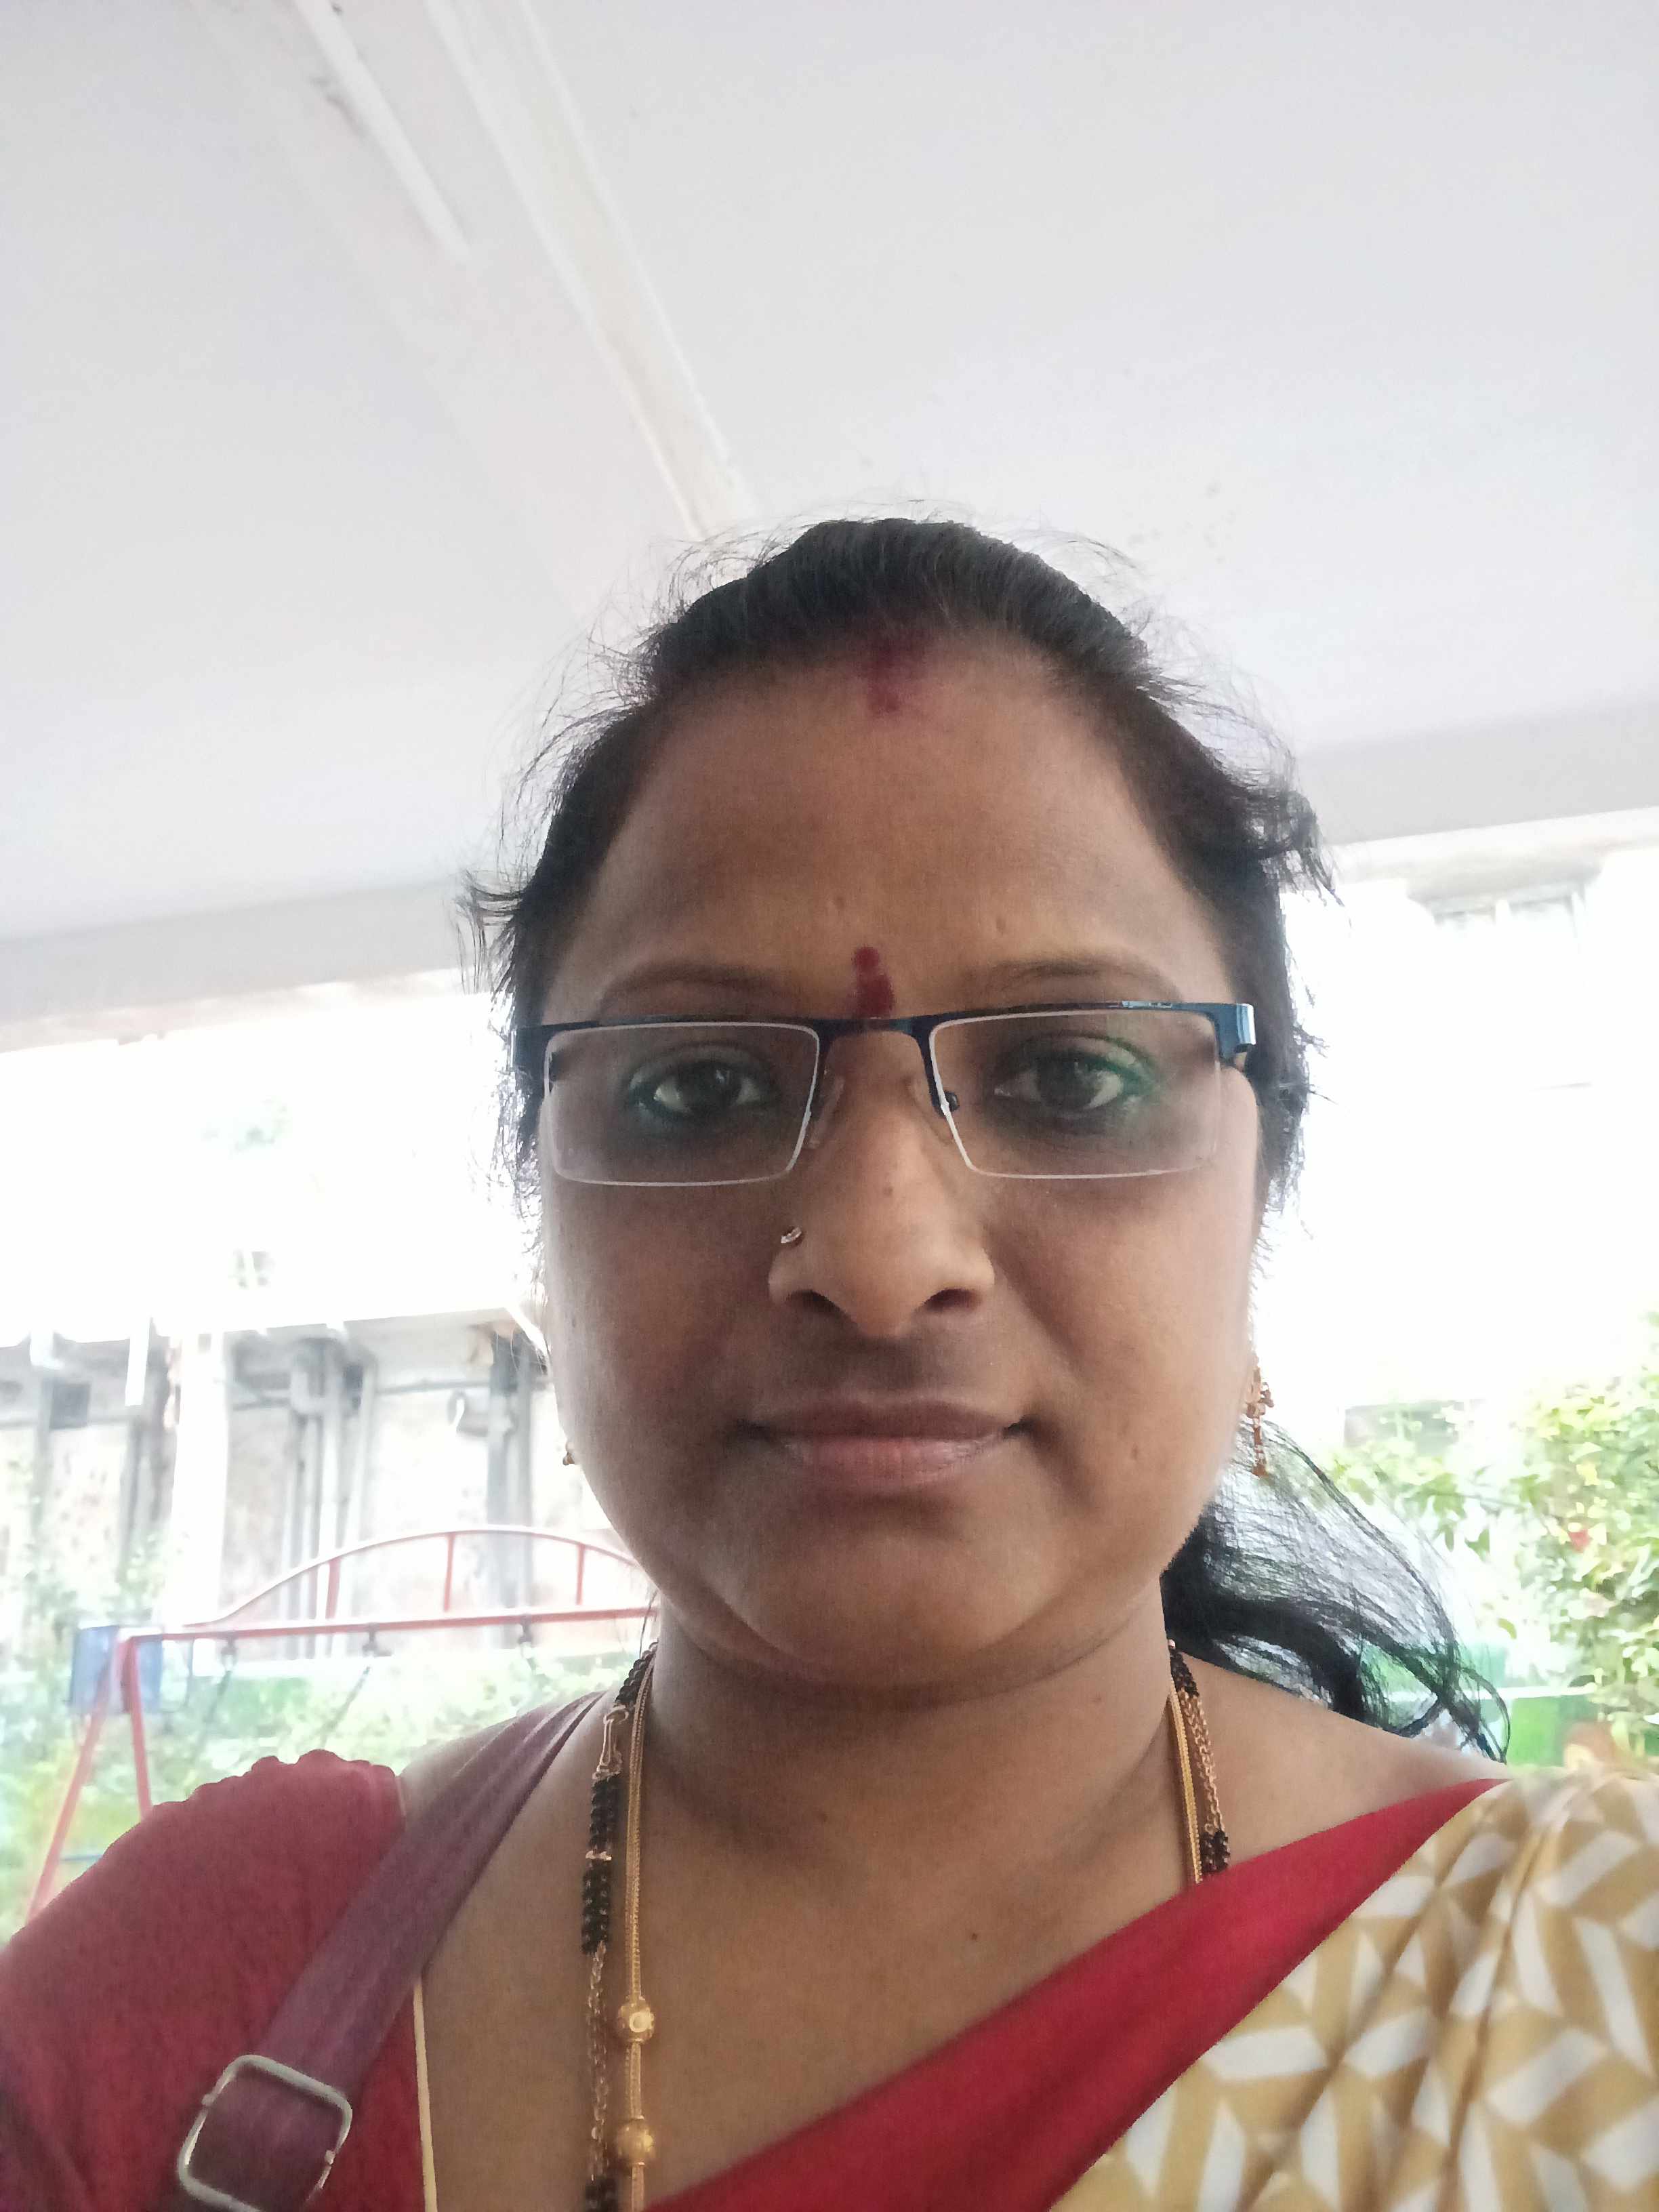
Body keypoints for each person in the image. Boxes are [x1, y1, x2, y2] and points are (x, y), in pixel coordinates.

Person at [3, 518, 1655, 2211]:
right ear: (542, 1229)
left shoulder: (1596, 1985)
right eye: (697, 1088)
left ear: (1261, 1206)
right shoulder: (188, 2008)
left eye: (1069, 1078)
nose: (878, 1259)